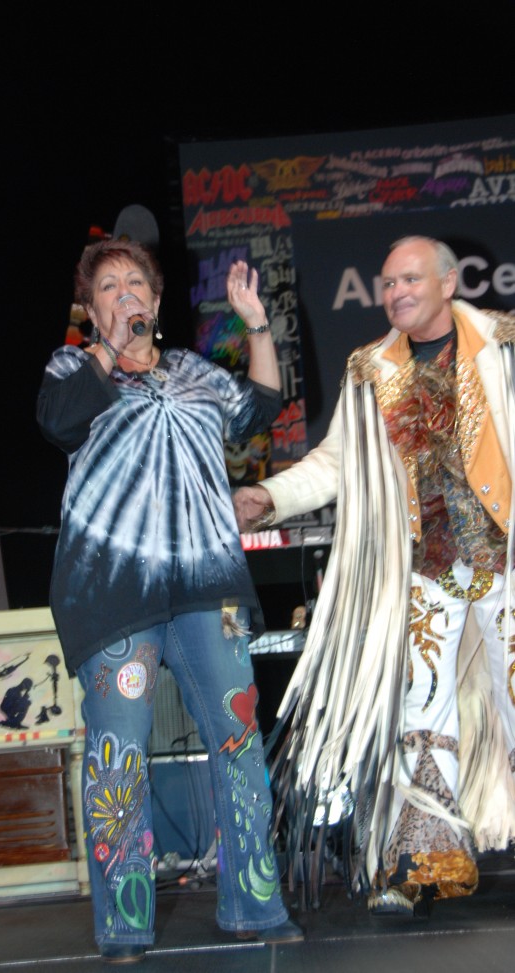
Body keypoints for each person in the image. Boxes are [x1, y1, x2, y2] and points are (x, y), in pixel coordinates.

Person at [36, 238, 304, 963]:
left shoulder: (193, 371)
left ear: (156, 301)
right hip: (114, 592)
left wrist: (254, 323)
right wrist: (109, 346)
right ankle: (125, 923)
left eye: (136, 283)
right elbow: (58, 421)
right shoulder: (73, 368)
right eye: (109, 286)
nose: (125, 292)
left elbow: (262, 406)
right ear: (90, 308)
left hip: (207, 586)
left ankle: (253, 904)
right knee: (119, 754)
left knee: (238, 742)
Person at [234, 235, 515, 917]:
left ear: (448, 282)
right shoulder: (370, 370)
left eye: (410, 280)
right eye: (388, 283)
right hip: (425, 567)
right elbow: (335, 463)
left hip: (505, 558)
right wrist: (268, 496)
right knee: (420, 708)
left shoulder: (502, 347)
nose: (396, 293)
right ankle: (424, 859)